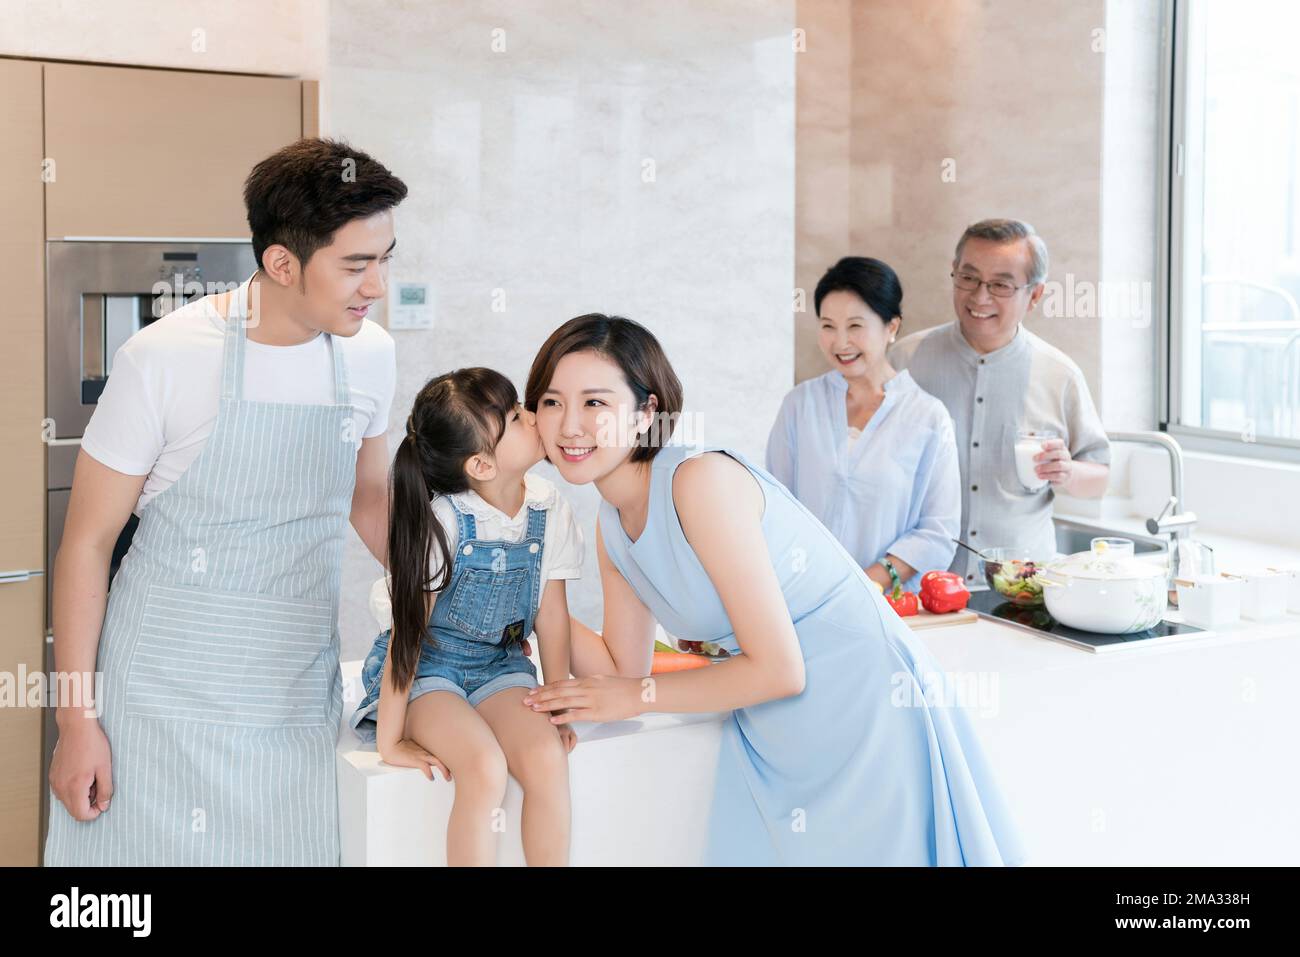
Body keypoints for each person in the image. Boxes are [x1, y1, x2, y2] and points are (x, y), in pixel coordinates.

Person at [520, 313, 1027, 866]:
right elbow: (622, 667)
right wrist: (525, 593)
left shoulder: (698, 480)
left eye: (595, 403)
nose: (570, 425)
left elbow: (778, 668)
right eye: (551, 402)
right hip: (773, 722)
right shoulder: (611, 521)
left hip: (862, 702)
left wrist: (631, 695)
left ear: (646, 413)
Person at [45, 138, 405, 865]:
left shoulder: (370, 355)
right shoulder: (167, 357)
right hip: (157, 701)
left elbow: (370, 498)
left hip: (290, 695)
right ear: (281, 263)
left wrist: (449, 584)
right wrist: (77, 721)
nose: (378, 287)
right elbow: (86, 542)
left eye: (387, 258)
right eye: (356, 265)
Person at [349, 368, 583, 866]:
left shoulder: (549, 509)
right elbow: (408, 636)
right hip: (431, 671)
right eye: (517, 417)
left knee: (546, 758)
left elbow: (552, 616)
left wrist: (557, 699)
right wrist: (391, 741)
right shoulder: (447, 521)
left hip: (500, 666)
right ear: (480, 463)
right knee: (483, 767)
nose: (534, 417)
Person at [891, 218, 1110, 584]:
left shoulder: (1059, 375)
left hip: (1021, 590)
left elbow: (1099, 478)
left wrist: (1068, 471)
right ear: (953, 273)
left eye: (1001, 285)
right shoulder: (905, 361)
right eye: (969, 278)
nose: (980, 297)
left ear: (1035, 295)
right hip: (920, 585)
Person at [766, 256, 960, 592]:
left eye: (855, 326)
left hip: (888, 605)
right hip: (804, 596)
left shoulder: (927, 417)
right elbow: (774, 506)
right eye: (828, 326)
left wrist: (867, 584)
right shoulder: (800, 404)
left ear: (891, 327)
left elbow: (937, 532)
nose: (840, 342)